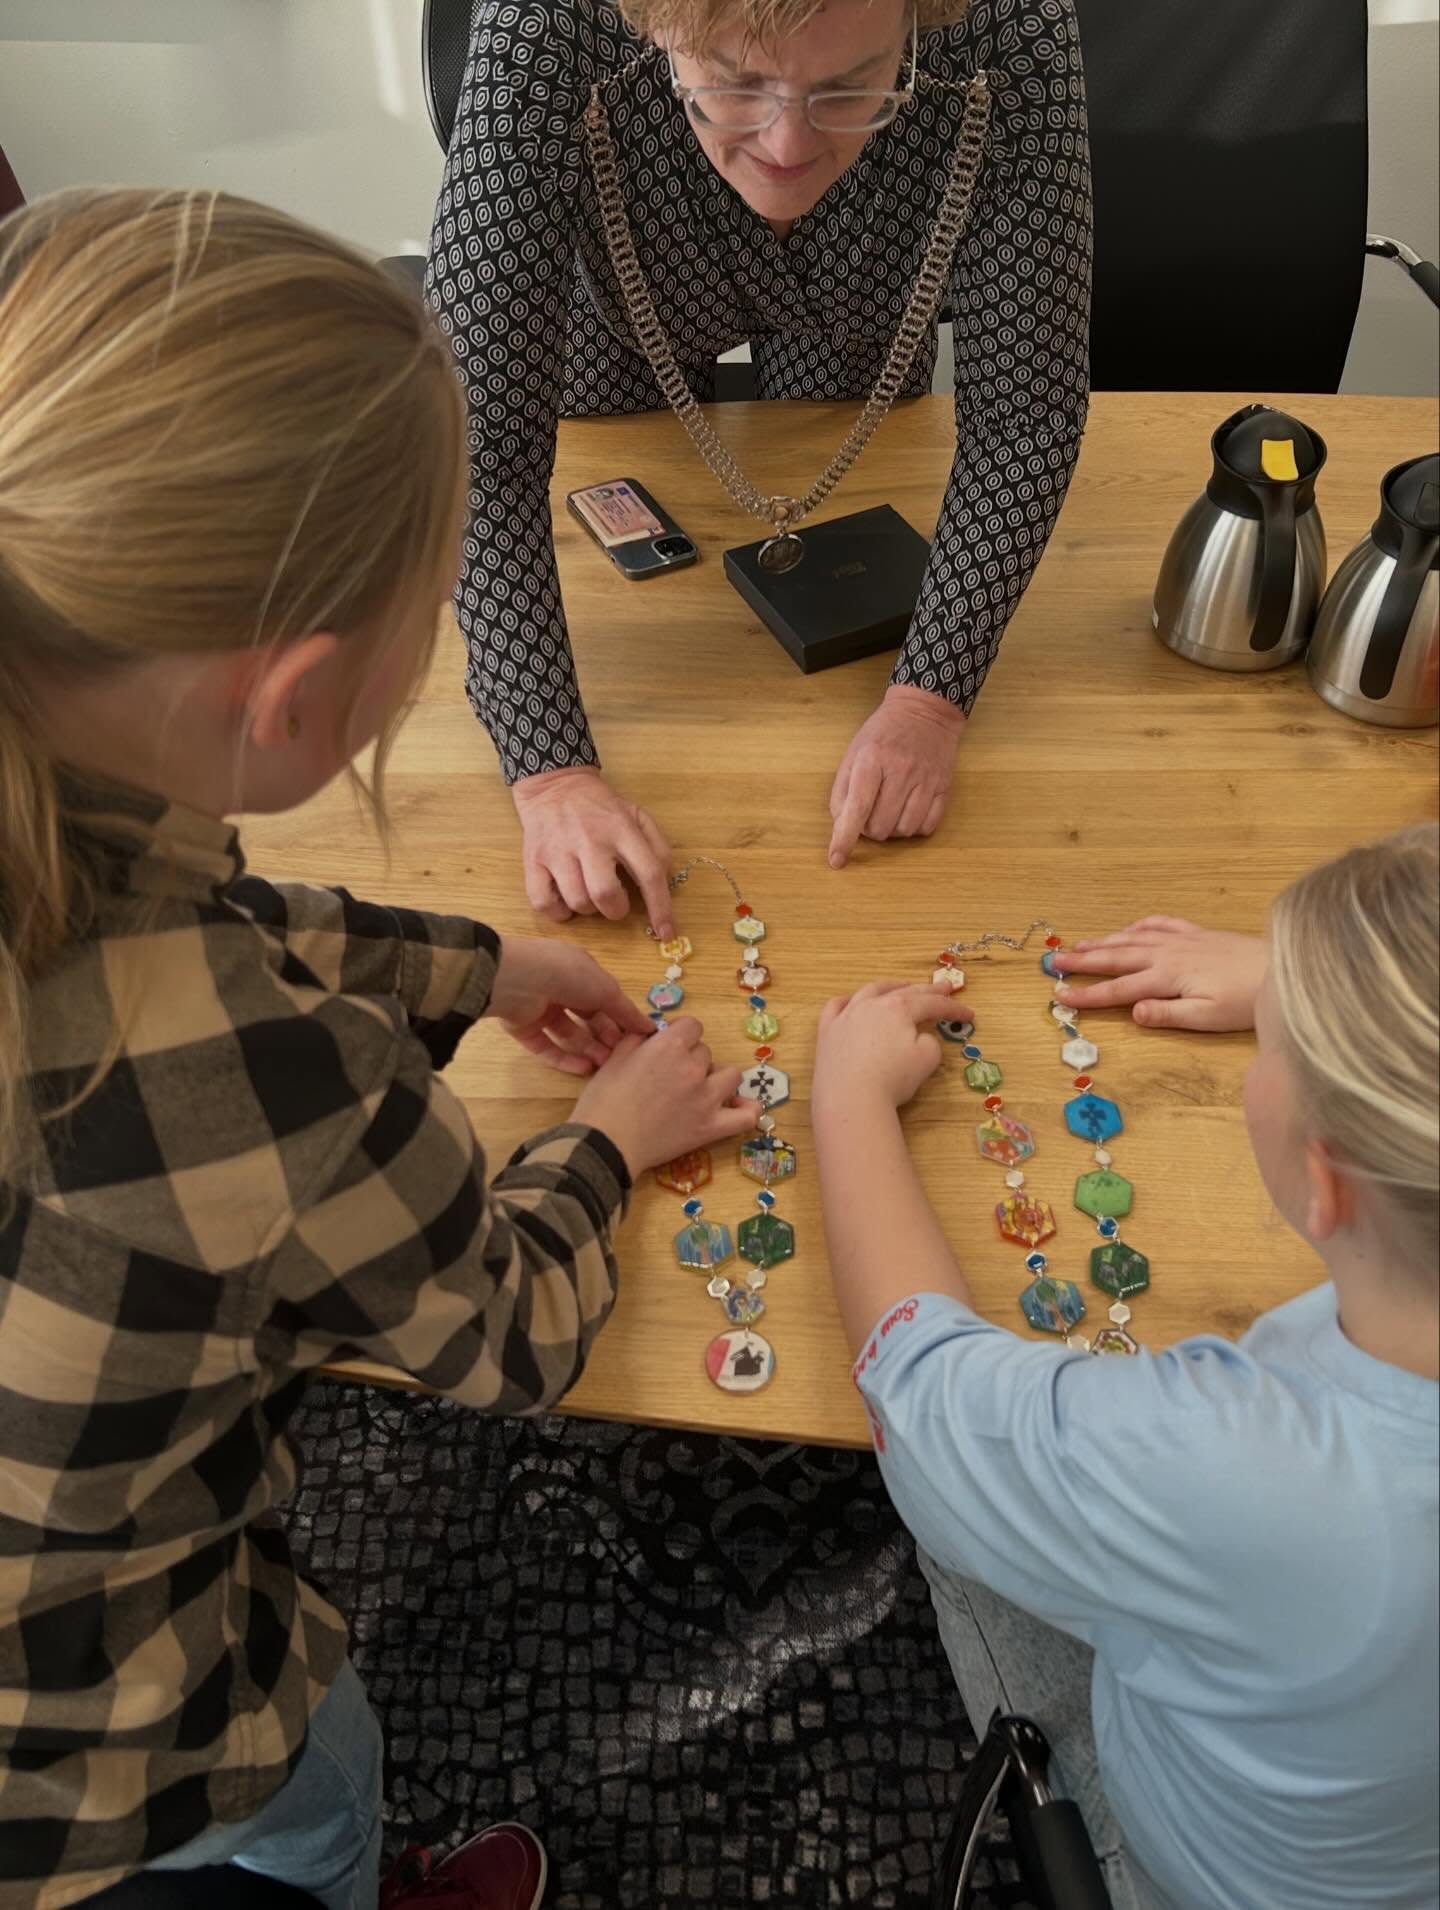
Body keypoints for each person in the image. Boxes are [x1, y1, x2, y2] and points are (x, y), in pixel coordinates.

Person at [0, 187, 754, 1910]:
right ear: (297, 702)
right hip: (123, 1749)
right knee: (309, 1802)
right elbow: (508, 1339)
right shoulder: (274, 1078)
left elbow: (169, 913)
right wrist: (614, 1140)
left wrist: (476, 966)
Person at [809, 828, 1439, 1908]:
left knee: (954, 1520)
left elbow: (918, 1391)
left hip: (1196, 1870)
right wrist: (1322, 982)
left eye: (1286, 1044)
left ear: (1326, 1182)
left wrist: (848, 1100)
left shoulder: (1236, 1461)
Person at [427, 0, 1090, 936]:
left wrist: (929, 703)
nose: (785, 145)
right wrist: (552, 773)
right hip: (630, 278)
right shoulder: (544, 16)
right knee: (612, 447)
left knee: (834, 430)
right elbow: (477, 442)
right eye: (738, 85)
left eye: (848, 84)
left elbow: (1025, 413)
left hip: (865, 274)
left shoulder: (1007, 19)